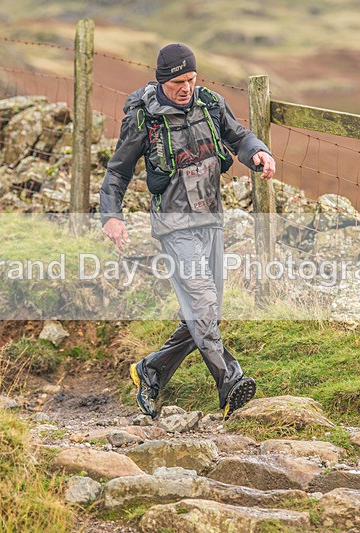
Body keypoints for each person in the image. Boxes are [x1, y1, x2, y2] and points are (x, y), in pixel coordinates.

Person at [99, 43, 276, 419]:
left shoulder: (210, 103)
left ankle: (150, 370)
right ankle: (230, 382)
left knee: (205, 314)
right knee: (203, 306)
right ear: (163, 80)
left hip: (211, 221)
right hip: (174, 226)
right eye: (179, 81)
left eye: (192, 79)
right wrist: (111, 215)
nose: (186, 87)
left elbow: (239, 136)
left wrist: (258, 152)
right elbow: (117, 172)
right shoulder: (144, 118)